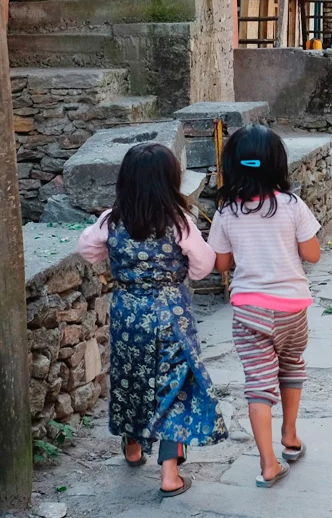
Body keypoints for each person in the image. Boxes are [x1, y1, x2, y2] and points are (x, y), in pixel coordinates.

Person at [77, 144, 226, 498]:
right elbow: (204, 265)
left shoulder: (110, 220)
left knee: (132, 378)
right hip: (171, 313)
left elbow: (87, 249)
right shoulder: (179, 223)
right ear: (169, 180)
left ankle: (132, 447)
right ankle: (170, 474)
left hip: (127, 312)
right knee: (176, 386)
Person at [209, 126, 321, 488]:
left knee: (258, 386)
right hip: (292, 308)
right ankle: (290, 436)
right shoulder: (292, 206)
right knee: (291, 367)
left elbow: (221, 264)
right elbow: (312, 254)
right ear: (277, 164)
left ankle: (268, 463)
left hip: (250, 313)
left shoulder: (227, 214)